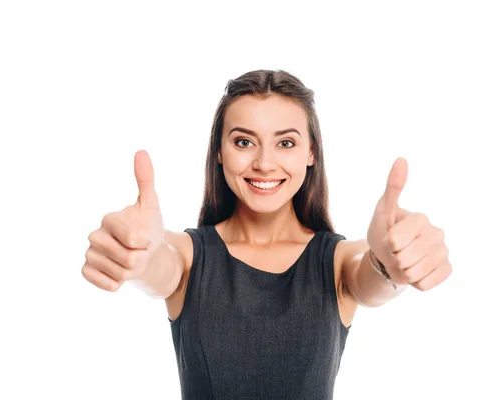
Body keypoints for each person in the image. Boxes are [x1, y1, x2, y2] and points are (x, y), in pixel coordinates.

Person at [82, 69, 452, 399]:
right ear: (220, 153)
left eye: (286, 143)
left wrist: (390, 264)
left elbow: (371, 276)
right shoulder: (190, 256)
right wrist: (137, 255)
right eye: (244, 142)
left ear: (311, 153)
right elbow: (158, 266)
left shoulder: (337, 262)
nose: (264, 162)